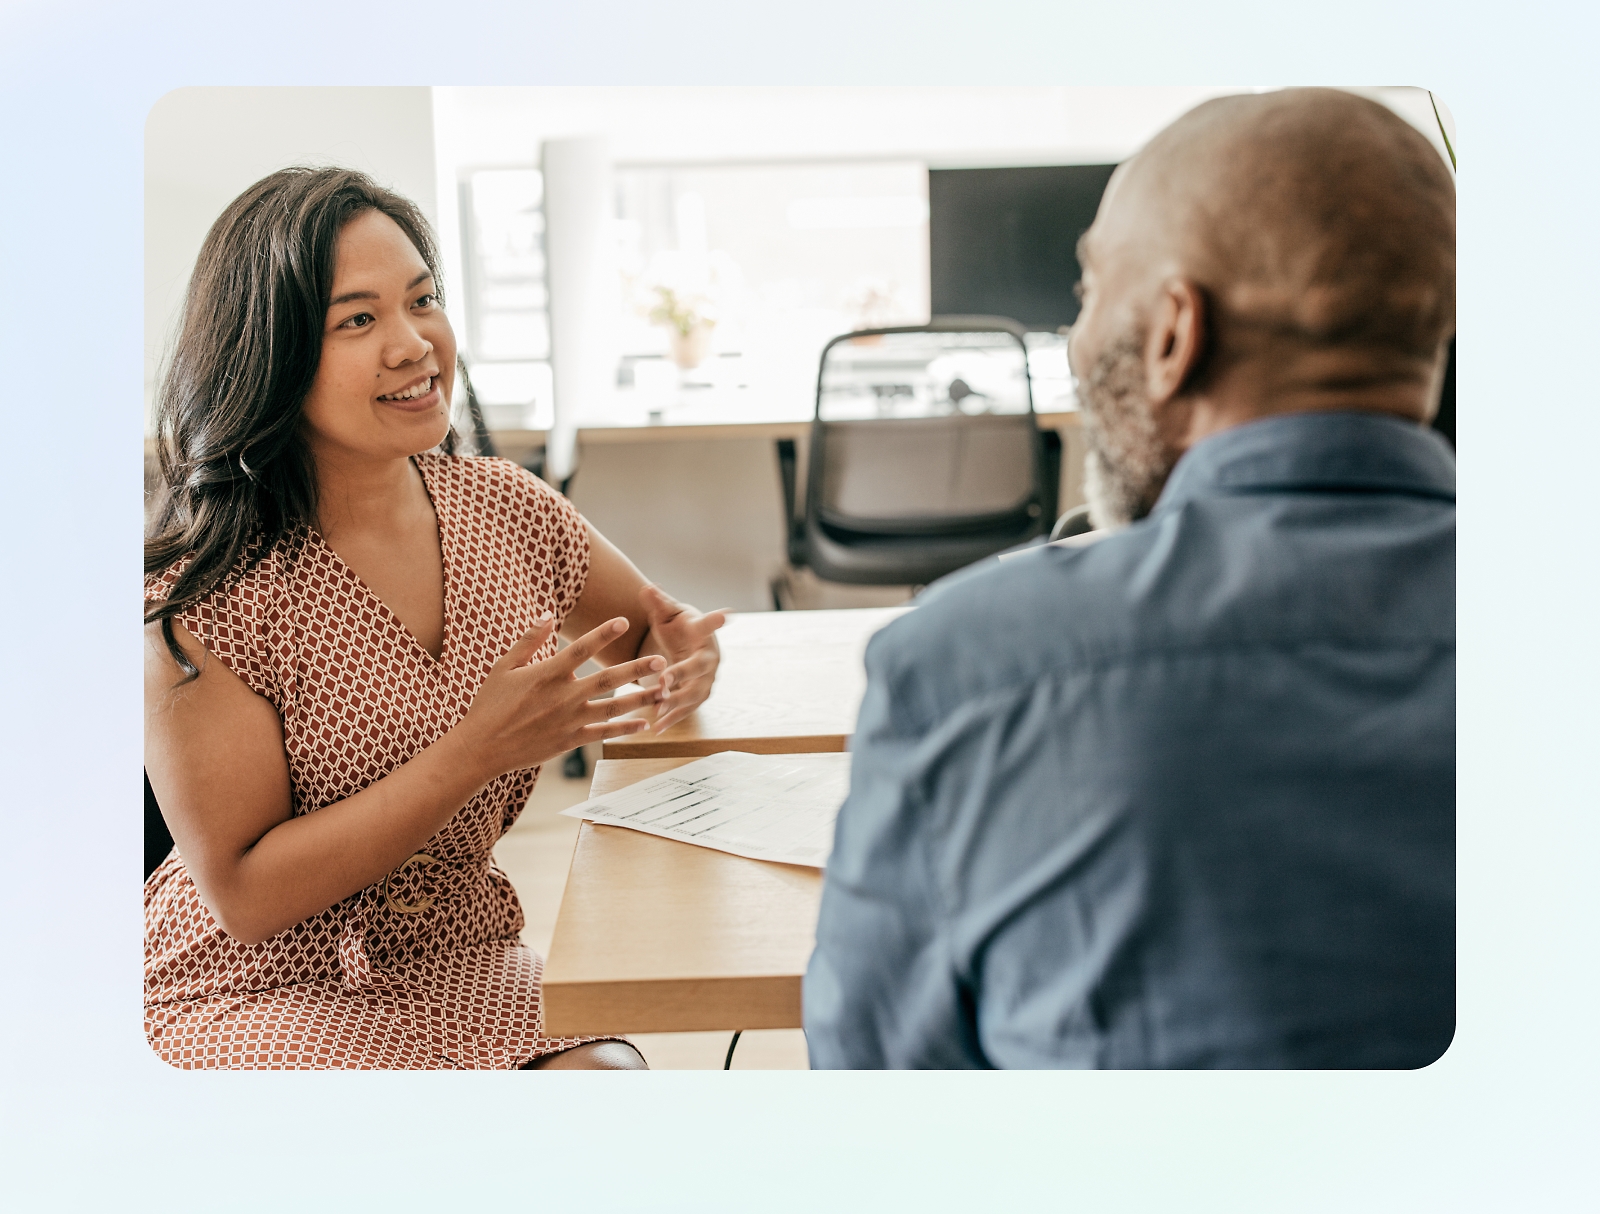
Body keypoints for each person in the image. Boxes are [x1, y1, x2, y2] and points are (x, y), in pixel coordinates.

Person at [804, 88, 1456, 1069]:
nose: (1075, 333)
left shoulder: (966, 666)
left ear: (1171, 335)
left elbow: (880, 1104)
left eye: (1088, 291)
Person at [144, 167, 727, 1070]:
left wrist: (683, 660)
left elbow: (652, 626)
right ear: (275, 352)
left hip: (457, 950)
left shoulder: (504, 504)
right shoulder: (206, 596)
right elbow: (246, 896)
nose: (415, 344)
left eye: (424, 301)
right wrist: (476, 752)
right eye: (358, 320)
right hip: (250, 982)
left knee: (619, 1102)